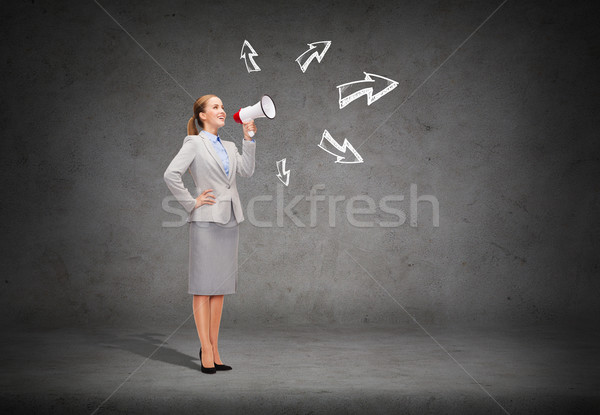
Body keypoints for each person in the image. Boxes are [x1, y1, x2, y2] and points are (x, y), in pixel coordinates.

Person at [163, 94, 256, 374]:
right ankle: (205, 348)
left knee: (219, 289)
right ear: (202, 115)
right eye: (215, 107)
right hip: (204, 221)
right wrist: (192, 202)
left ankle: (214, 348)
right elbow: (171, 175)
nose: (222, 110)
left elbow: (247, 171)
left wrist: (249, 139)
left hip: (229, 220)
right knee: (203, 287)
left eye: (223, 107)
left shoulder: (229, 145)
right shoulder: (193, 142)